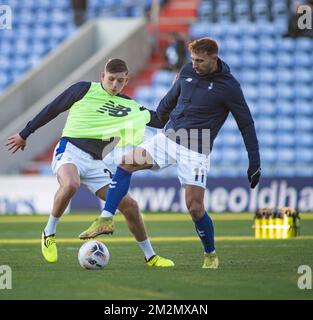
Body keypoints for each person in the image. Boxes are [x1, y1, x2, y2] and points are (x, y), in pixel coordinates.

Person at [80, 38, 261, 269]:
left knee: (195, 208)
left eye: (200, 60)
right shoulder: (186, 71)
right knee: (126, 163)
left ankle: (210, 254)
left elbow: (246, 124)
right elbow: (166, 105)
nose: (194, 64)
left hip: (197, 147)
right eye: (193, 59)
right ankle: (106, 218)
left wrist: (254, 161)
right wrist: (140, 115)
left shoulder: (229, 87)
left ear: (214, 59)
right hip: (169, 138)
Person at [6, 58, 174, 268]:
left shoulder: (130, 106)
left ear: (126, 80)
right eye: (111, 79)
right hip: (70, 151)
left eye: (120, 81)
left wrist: (176, 91)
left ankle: (151, 257)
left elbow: (158, 120)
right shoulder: (84, 90)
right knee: (70, 184)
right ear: (102, 77)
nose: (114, 84)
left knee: (130, 206)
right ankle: (49, 232)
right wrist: (25, 133)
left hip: (96, 163)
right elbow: (53, 108)